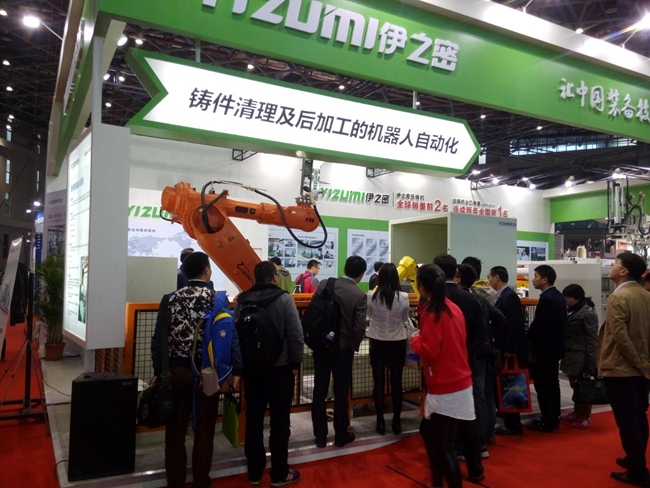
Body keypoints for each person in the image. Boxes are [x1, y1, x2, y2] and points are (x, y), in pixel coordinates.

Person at [151, 251, 242, 488]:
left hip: (175, 372)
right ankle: (201, 480)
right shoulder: (217, 299)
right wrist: (236, 371)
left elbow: (158, 339)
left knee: (175, 430)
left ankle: (175, 482)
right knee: (204, 428)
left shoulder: (169, 299)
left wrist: (158, 371)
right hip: (208, 374)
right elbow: (230, 337)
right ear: (207, 270)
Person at [234, 261, 304, 487]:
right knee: (280, 422)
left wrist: (239, 367)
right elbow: (295, 334)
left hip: (252, 370)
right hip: (280, 370)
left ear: (255, 278)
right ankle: (279, 473)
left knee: (253, 420)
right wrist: (295, 362)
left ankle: (254, 472)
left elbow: (236, 336)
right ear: (274, 277)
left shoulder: (242, 300)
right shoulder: (284, 299)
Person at [412, 263, 482, 488]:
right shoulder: (453, 308)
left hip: (445, 384)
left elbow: (429, 349)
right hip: (459, 379)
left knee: (445, 446)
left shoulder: (432, 313)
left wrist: (414, 340)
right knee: (430, 433)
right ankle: (437, 480)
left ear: (421, 286)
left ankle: (442, 481)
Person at [599, 253, 650, 487]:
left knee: (628, 421)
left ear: (623, 271)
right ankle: (634, 459)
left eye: (615, 264)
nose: (611, 267)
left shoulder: (619, 297)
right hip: (642, 369)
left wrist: (639, 363)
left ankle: (637, 471)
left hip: (621, 369)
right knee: (639, 417)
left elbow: (620, 337)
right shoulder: (645, 295)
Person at [433, 254, 487, 472]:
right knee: (468, 412)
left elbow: (431, 340)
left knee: (442, 417)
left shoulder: (434, 301)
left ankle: (447, 460)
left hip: (441, 368)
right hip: (467, 363)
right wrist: (465, 353)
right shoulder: (471, 299)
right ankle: (475, 462)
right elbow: (481, 334)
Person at [312, 255, 367, 448]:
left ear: (344, 269)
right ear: (362, 274)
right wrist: (353, 345)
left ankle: (320, 436)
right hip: (343, 349)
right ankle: (340, 434)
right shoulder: (359, 295)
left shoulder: (325, 284)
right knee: (341, 392)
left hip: (321, 345)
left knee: (319, 390)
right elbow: (359, 327)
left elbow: (315, 311)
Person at [457, 263, 506, 448]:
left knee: (477, 395)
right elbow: (500, 318)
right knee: (487, 393)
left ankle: (479, 440)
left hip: (473, 353)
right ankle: (488, 433)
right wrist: (488, 335)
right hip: (486, 351)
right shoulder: (481, 299)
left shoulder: (461, 301)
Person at [366, 262, 410, 436]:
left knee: (378, 383)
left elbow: (369, 315)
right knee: (396, 383)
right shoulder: (404, 296)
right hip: (397, 341)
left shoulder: (371, 295)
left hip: (377, 341)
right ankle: (396, 422)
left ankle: (380, 421)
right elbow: (405, 318)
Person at [487, 265, 526, 436]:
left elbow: (514, 324)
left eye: (489, 277)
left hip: (507, 350)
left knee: (510, 384)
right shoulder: (503, 296)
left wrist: (510, 349)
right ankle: (506, 414)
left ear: (497, 277)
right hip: (502, 347)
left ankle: (513, 424)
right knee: (504, 384)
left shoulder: (509, 297)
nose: (488, 280)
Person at [527, 264, 567, 432]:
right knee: (552, 383)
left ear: (545, 279)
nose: (533, 279)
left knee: (543, 385)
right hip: (554, 349)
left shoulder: (548, 299)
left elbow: (541, 325)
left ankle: (548, 420)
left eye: (535, 276)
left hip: (544, 349)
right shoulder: (558, 296)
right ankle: (553, 416)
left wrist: (527, 336)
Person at [559, 284, 598, 428]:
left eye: (568, 297)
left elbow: (592, 338)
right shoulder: (570, 310)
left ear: (577, 298)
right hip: (570, 354)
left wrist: (592, 360)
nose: (565, 300)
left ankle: (585, 415)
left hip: (581, 356)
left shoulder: (587, 314)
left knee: (584, 385)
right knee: (575, 384)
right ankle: (577, 411)